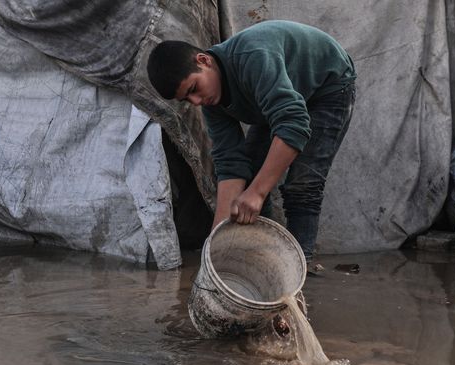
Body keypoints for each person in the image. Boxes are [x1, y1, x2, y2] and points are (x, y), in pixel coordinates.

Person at [146, 20, 356, 270]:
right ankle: (264, 263)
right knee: (252, 178)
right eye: (187, 99)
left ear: (204, 61)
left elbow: (293, 123)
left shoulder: (252, 56)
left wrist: (257, 193)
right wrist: (215, 246)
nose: (197, 101)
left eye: (194, 88)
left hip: (328, 87)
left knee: (302, 184)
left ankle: (298, 271)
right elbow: (230, 162)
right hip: (279, 102)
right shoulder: (211, 102)